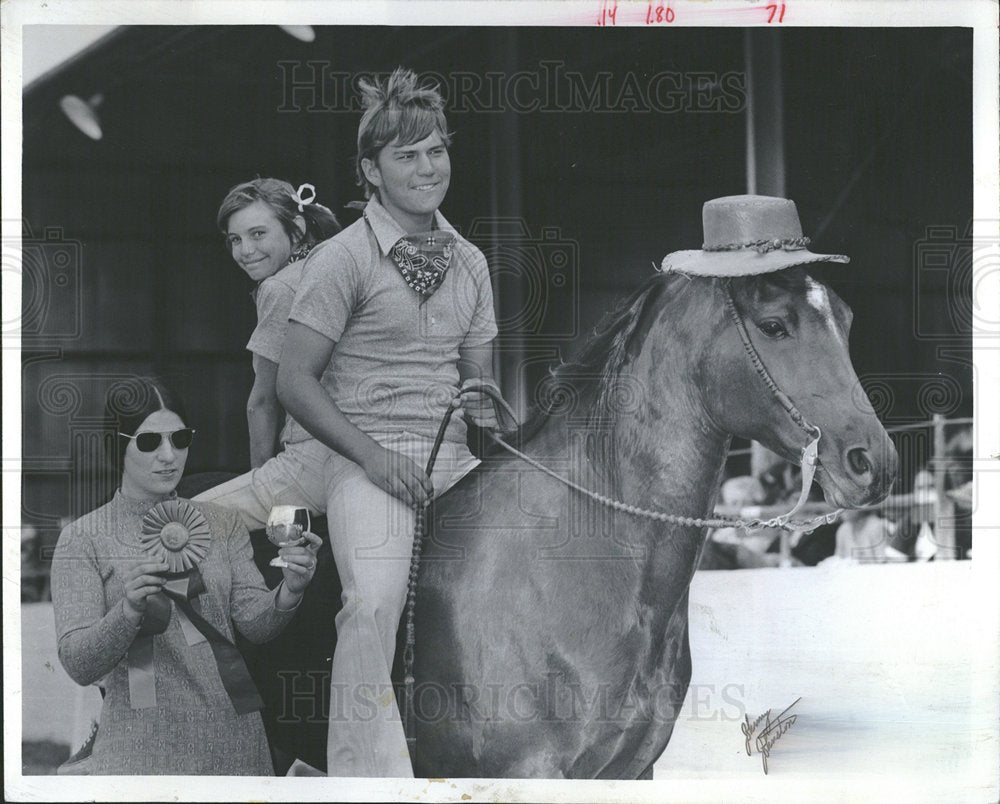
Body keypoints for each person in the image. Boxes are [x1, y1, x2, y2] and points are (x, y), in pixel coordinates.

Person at [195, 67, 499, 777]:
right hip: (366, 456)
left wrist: (495, 410)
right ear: (371, 170)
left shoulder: (474, 261)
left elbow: (479, 382)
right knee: (371, 603)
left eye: (436, 151)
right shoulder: (341, 258)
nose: (427, 168)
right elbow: (294, 384)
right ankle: (361, 781)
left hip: (451, 452)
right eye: (407, 156)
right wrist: (371, 457)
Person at [50, 376, 321, 775]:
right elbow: (79, 664)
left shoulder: (224, 524)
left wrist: (290, 591)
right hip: (138, 752)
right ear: (116, 444)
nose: (168, 455)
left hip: (236, 742)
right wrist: (127, 612)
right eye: (149, 442)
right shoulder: (82, 539)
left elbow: (256, 624)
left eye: (179, 439)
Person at [217, 178, 341, 467]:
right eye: (235, 239)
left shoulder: (280, 287)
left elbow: (262, 402)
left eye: (258, 234)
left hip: (315, 451)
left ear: (296, 230)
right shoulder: (334, 266)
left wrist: (259, 478)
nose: (245, 250)